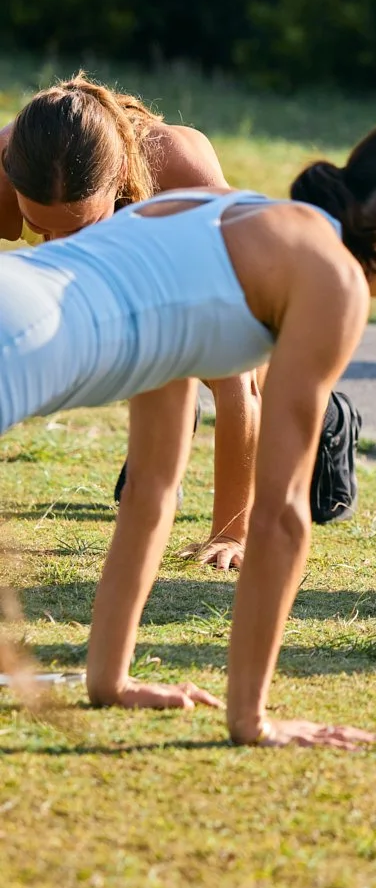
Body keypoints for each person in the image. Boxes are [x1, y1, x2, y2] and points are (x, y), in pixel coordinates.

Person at [0, 113, 376, 747]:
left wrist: (110, 682)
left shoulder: (214, 220)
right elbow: (281, 516)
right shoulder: (330, 274)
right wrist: (253, 722)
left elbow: (152, 489)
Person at [0, 76, 259, 570]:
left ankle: (332, 422)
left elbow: (239, 380)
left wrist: (232, 533)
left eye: (78, 228)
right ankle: (166, 406)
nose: (58, 248)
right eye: (39, 227)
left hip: (199, 281)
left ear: (119, 176)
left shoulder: (182, 177)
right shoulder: (7, 165)